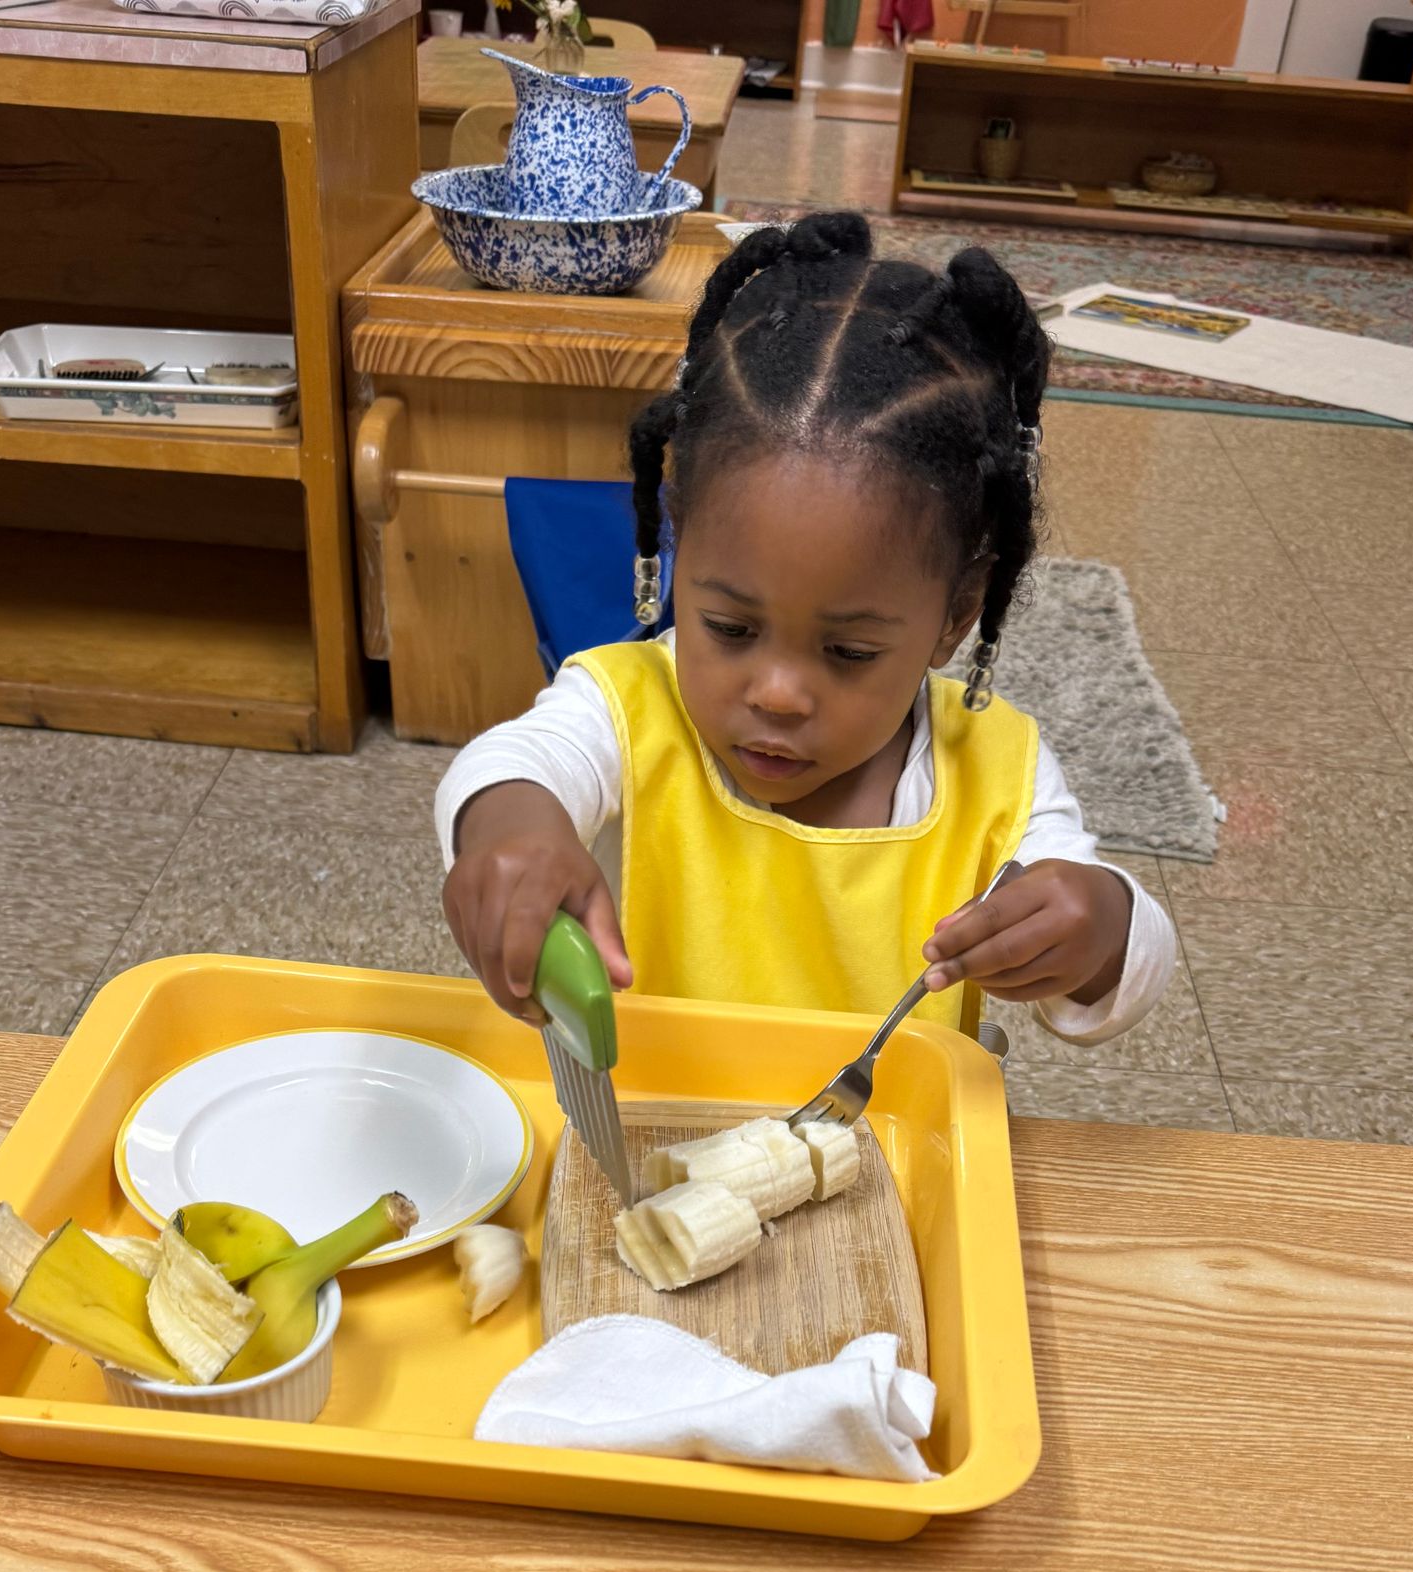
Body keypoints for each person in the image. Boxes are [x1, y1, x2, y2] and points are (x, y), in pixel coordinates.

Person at [437, 209, 1175, 1047]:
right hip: (647, 1131)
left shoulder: (994, 776)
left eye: (848, 652)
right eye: (729, 626)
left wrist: (1102, 927)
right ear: (681, 545)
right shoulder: (625, 707)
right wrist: (510, 828)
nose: (778, 693)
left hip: (900, 1150)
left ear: (953, 619)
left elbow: (1123, 976)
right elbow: (514, 763)